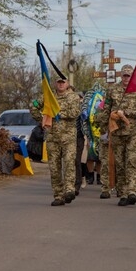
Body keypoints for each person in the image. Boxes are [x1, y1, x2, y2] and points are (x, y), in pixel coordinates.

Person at [99, 64, 136, 206]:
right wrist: (103, 128)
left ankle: (132, 191)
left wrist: (126, 113)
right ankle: (123, 193)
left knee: (131, 161)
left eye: (129, 76)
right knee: (120, 164)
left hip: (133, 132)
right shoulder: (112, 90)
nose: (126, 78)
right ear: (121, 76)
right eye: (124, 75)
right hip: (117, 132)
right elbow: (106, 109)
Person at [31, 77, 80, 206]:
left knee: (69, 163)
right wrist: (42, 119)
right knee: (54, 168)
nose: (61, 84)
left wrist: (56, 113)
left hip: (68, 138)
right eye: (59, 82)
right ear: (55, 83)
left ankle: (69, 190)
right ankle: (58, 195)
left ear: (67, 83)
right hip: (52, 138)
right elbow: (33, 106)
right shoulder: (48, 96)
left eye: (63, 82)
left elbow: (75, 113)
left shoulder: (73, 97)